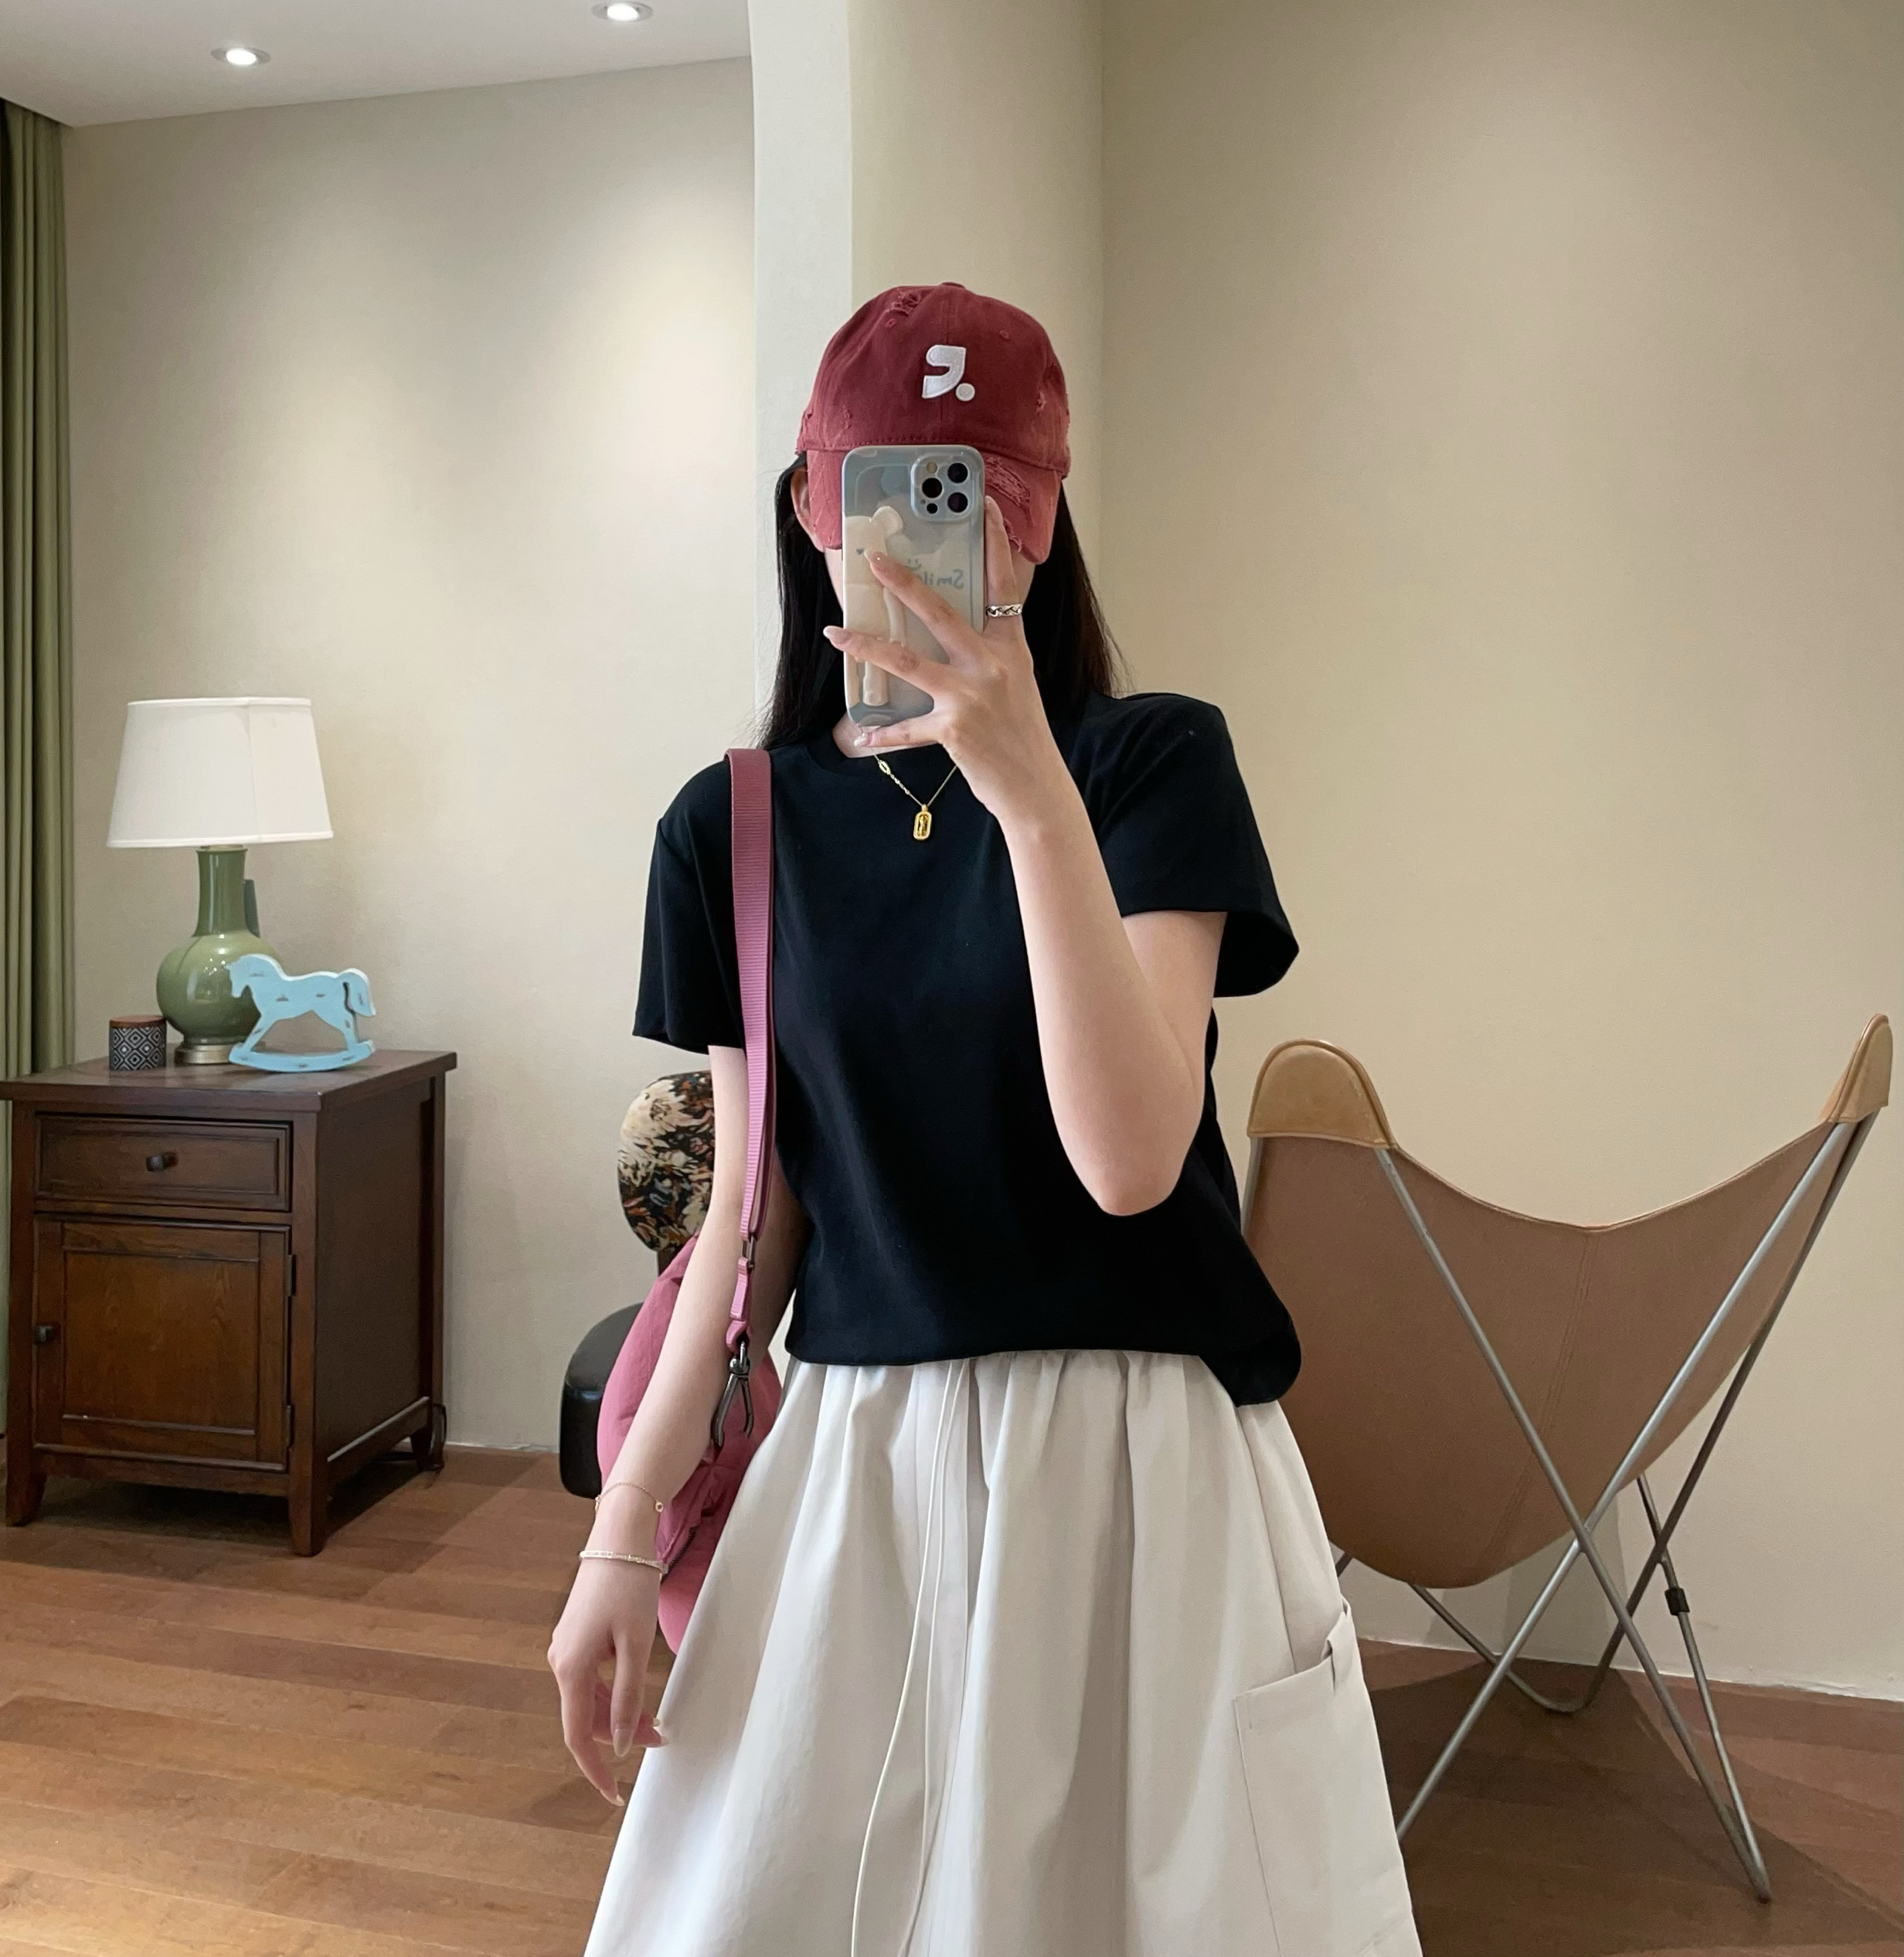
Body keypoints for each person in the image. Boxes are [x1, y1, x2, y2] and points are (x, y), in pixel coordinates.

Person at [552, 283, 1421, 1957]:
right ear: (811, 510)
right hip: (861, 1474)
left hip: (1144, 1471)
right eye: (881, 496)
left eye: (975, 504)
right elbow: (746, 1223)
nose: (925, 549)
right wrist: (615, 1543)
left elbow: (1131, 1159)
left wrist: (1027, 792)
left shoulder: (1152, 764)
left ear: (1040, 525)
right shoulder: (730, 829)